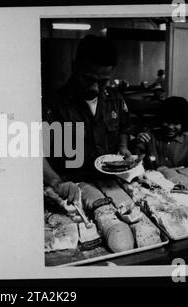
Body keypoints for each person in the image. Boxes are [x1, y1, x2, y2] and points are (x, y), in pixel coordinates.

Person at [43, 35, 131, 210]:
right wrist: (56, 182)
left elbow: (124, 127)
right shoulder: (53, 105)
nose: (95, 88)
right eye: (88, 79)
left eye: (102, 81)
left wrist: (123, 147)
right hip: (71, 190)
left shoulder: (115, 98)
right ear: (75, 67)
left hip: (110, 185)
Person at [134, 96, 188, 169]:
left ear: (184, 123)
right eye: (167, 122)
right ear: (161, 119)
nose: (170, 127)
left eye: (176, 123)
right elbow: (135, 161)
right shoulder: (149, 136)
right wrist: (138, 142)